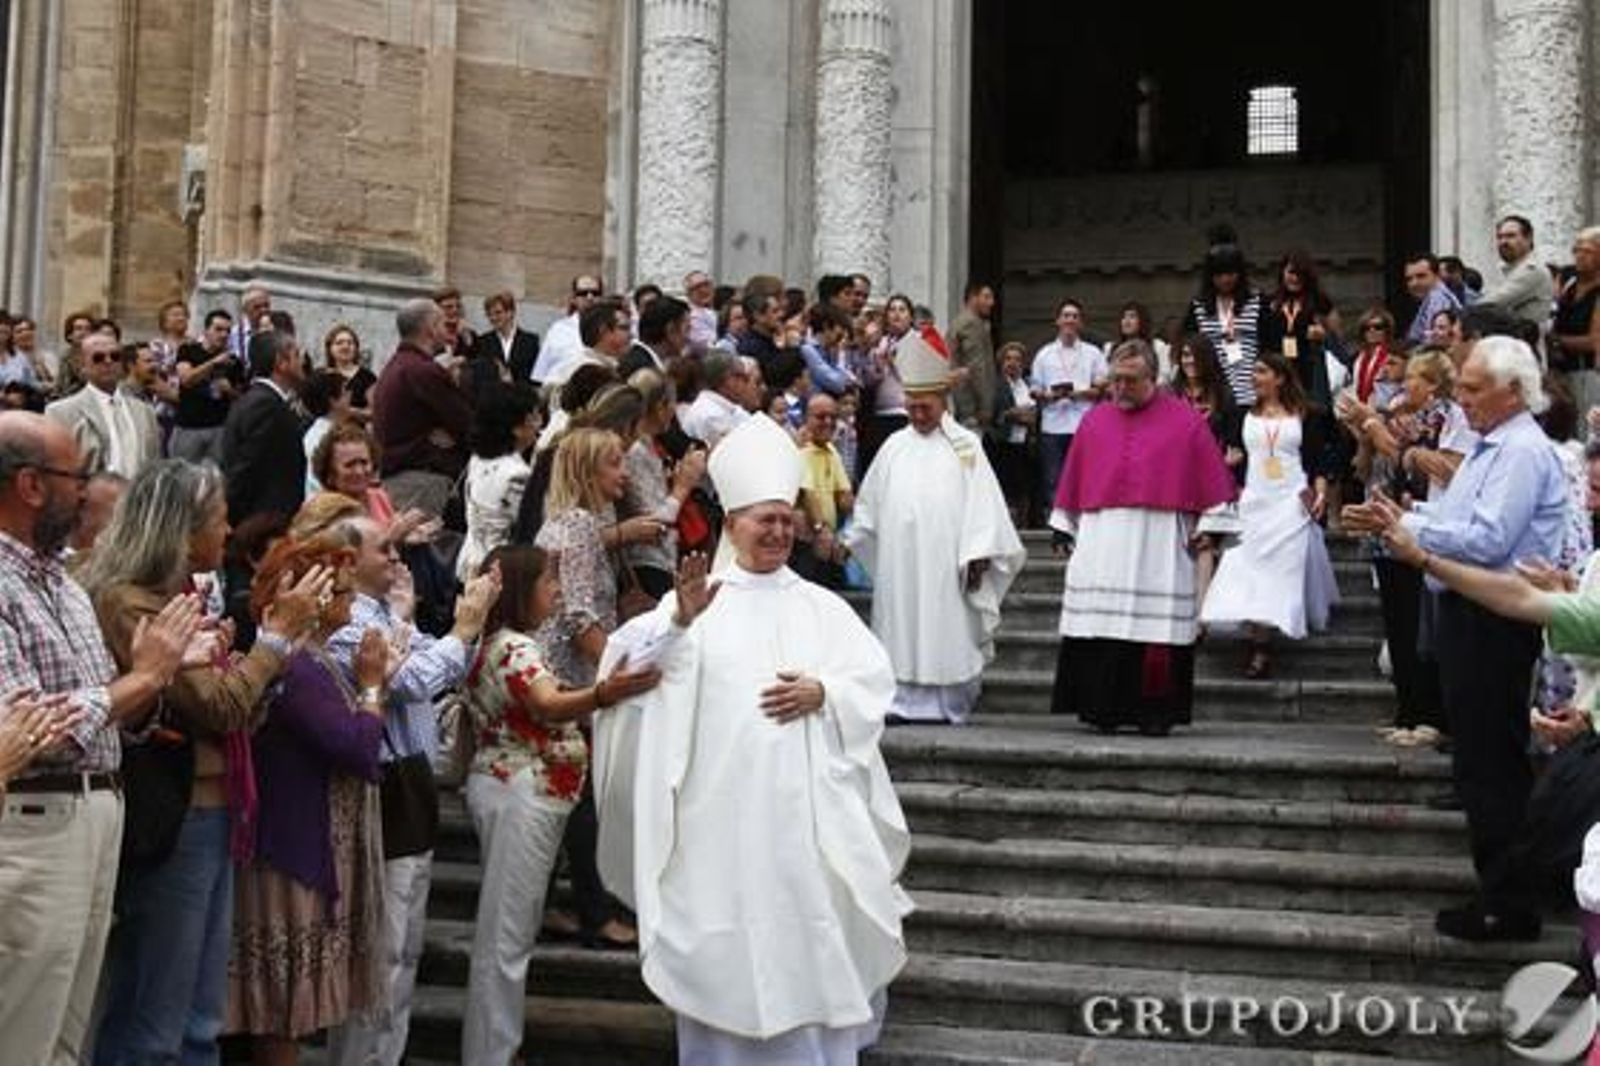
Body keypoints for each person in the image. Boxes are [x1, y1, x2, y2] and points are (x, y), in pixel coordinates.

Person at [593, 413, 911, 1064]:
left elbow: (872, 683)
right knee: (728, 961)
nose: (777, 530)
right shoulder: (696, 602)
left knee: (810, 951)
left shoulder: (822, 607)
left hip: (809, 827)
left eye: (785, 517)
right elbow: (627, 674)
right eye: (763, 518)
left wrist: (826, 692)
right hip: (721, 828)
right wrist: (679, 622)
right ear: (731, 524)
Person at [81, 459, 328, 1065]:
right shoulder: (131, 604)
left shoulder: (176, 599)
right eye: (218, 520)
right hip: (177, 818)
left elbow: (236, 705)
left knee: (198, 1017)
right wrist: (272, 642)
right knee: (156, 1014)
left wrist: (254, 660)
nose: (228, 532)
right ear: (180, 528)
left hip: (214, 814)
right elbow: (219, 708)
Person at [1343, 335, 1567, 942]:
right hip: (1471, 610)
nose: (1460, 398)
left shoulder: (1520, 451)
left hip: (1495, 612)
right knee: (1477, 758)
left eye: (1472, 388)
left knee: (1491, 761)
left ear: (1512, 391)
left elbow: (1489, 538)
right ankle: (1498, 887)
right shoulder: (1492, 448)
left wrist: (1414, 534)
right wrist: (1404, 520)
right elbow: (1456, 520)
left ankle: (1508, 898)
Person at [0, 410, 201, 1064]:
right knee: (24, 1026)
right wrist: (143, 678)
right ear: (31, 485)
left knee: (69, 1030)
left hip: (95, 813)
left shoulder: (61, 579)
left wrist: (148, 687)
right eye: (76, 476)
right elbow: (31, 724)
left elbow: (107, 707)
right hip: (35, 820)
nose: (86, 491)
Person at [459, 544, 661, 1065]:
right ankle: (493, 1054)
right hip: (519, 792)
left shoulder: (507, 642)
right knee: (506, 936)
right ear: (523, 589)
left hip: (521, 790)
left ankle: (499, 1048)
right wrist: (603, 694)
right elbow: (546, 704)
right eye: (549, 583)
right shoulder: (514, 647)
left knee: (511, 932)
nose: (557, 592)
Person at [324, 516, 500, 1066]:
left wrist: (457, 636)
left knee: (405, 946)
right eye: (385, 549)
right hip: (379, 785)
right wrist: (462, 632)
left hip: (411, 778)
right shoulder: (345, 621)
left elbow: (445, 665)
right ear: (348, 560)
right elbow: (409, 681)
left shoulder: (384, 613)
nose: (397, 558)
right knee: (380, 948)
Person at [225, 527, 396, 1062]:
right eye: (342, 592)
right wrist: (372, 685)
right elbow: (358, 747)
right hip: (291, 851)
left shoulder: (311, 660)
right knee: (283, 1012)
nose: (351, 602)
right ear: (312, 596)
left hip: (299, 843)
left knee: (287, 1013)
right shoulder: (298, 667)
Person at [1048, 341, 1238, 734]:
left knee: (1155, 632)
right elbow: (1073, 478)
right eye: (1115, 380)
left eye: (1130, 381)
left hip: (1158, 545)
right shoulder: (1094, 420)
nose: (1119, 388)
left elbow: (1215, 484)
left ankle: (1154, 713)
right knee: (1102, 628)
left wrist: (1209, 529)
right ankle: (1102, 709)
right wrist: (1063, 524)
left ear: (1153, 379)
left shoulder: (1185, 421)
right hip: (1103, 542)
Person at [844, 327, 1024, 724]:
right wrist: (853, 539)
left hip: (949, 561)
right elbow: (869, 507)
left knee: (945, 626)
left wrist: (979, 553)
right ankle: (900, 699)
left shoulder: (965, 446)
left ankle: (947, 702)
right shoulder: (893, 447)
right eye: (911, 406)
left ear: (943, 401)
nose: (917, 413)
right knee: (902, 624)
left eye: (924, 406)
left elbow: (985, 505)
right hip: (899, 561)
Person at [534, 426, 651, 947]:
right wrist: (615, 672)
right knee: (583, 800)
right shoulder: (578, 524)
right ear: (587, 471)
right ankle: (595, 912)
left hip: (563, 676)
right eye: (614, 464)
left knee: (575, 799)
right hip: (569, 679)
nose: (623, 473)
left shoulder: (566, 522)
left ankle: (557, 903)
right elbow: (579, 616)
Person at [1339, 350, 1466, 747]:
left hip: (1426, 526)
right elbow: (1367, 465)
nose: (1403, 384)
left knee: (1418, 627)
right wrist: (1365, 433)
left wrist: (1376, 427)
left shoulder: (1450, 417)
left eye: (1413, 377)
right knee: (1398, 625)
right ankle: (1408, 710)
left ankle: (1429, 714)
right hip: (1388, 527)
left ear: (1433, 385)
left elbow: (1434, 465)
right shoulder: (1396, 414)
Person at [1200, 352, 1339, 677]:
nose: (1254, 377)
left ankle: (1262, 646)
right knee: (1245, 569)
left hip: (1291, 502)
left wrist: (1319, 495)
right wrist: (1229, 465)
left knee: (1281, 572)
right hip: (1254, 502)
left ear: (1279, 377)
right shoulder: (1239, 415)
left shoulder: (1307, 415)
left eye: (1261, 371)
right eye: (1254, 372)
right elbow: (1227, 455)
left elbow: (1317, 462)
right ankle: (1257, 639)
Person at [371, 298, 473, 518]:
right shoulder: (422, 370)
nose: (447, 330)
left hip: (404, 479)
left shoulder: (400, 364)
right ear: (430, 327)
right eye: (443, 324)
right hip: (419, 484)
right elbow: (468, 424)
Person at [623, 368, 706, 599]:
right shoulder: (636, 450)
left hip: (663, 559)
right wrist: (683, 485)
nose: (674, 411)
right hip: (646, 562)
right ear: (660, 407)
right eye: (672, 403)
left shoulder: (649, 445)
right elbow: (653, 522)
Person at [44, 329, 161, 480]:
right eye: (98, 358)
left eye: (115, 356)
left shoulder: (145, 411)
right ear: (82, 365)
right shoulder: (61, 412)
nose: (108, 361)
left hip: (136, 499)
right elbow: (56, 470)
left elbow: (154, 465)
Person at [1028, 298, 1106, 522]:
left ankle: (1084, 522)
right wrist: (1047, 396)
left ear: (1080, 322)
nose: (1070, 320)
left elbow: (1102, 387)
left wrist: (1078, 394)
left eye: (1074, 316)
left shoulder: (1093, 353)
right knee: (1054, 478)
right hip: (1052, 425)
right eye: (1066, 315)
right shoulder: (1044, 354)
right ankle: (1060, 526)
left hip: (1083, 423)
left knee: (1084, 475)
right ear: (1058, 321)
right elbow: (1034, 388)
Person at [222, 328, 308, 526]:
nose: (302, 362)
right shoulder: (265, 405)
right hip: (262, 523)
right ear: (281, 362)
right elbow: (246, 470)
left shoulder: (262, 400)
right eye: (296, 355)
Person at [457, 385, 539, 582]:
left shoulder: (478, 458)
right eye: (534, 418)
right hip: (500, 571)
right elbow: (527, 529)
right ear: (517, 428)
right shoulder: (518, 474)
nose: (539, 425)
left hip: (468, 561)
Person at [1182, 236, 1264, 407]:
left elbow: (1269, 345)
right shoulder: (1198, 306)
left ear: (1240, 273)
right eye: (1219, 274)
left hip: (1252, 392)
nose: (1225, 279)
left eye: (1231, 273)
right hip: (1213, 395)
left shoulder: (1258, 300)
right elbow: (1190, 345)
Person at [171, 309, 243, 465]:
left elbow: (241, 398)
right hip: (188, 428)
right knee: (182, 479)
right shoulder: (188, 350)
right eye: (218, 329)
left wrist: (229, 390)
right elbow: (186, 379)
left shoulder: (234, 361)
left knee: (215, 481)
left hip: (219, 429)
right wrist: (213, 363)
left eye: (227, 331)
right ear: (206, 330)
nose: (223, 334)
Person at [1551, 226, 1600, 435]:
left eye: (1587, 251)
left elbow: (1594, 341)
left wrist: (1556, 339)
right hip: (1562, 371)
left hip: (1586, 371)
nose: (1579, 256)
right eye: (1576, 250)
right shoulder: (1569, 282)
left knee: (1585, 431)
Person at [989, 341, 1037, 526]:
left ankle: (1024, 523)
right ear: (1001, 362)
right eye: (1008, 358)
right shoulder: (995, 385)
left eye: (1017, 359)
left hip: (1025, 444)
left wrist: (1028, 418)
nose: (1012, 363)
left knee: (1024, 486)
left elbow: (1035, 412)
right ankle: (1006, 524)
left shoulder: (1028, 385)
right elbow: (990, 415)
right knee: (1004, 487)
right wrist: (1012, 414)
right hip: (1002, 443)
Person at [1477, 214, 1555, 328]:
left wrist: (1454, 316)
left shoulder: (1532, 270)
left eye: (1510, 236)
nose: (1503, 241)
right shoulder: (1506, 270)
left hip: (1522, 343)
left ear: (1528, 239)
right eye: (1499, 237)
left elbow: (1488, 304)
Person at [532, 274, 604, 384]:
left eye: (595, 293)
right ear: (574, 299)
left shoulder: (613, 330)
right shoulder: (558, 330)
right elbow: (540, 375)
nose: (590, 297)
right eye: (583, 293)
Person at [946, 280, 997, 433]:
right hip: (971, 408)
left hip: (961, 404)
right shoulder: (972, 323)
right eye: (986, 297)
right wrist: (985, 409)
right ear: (973, 297)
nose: (991, 303)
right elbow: (977, 367)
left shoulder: (959, 321)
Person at [473, 290, 540, 384]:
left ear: (510, 312)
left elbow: (535, 378)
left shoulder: (530, 341)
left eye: (498, 313)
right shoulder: (483, 341)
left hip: (521, 395)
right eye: (489, 314)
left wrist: (512, 380)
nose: (493, 318)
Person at [1403, 253, 1463, 349]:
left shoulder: (1438, 298)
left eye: (1421, 276)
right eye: (1409, 279)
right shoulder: (1431, 297)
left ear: (1437, 275)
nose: (1414, 283)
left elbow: (1432, 344)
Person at [322, 323, 377, 419]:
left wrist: (352, 412)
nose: (345, 346)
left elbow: (376, 412)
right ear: (330, 348)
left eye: (350, 343)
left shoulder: (368, 377)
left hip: (355, 432)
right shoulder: (321, 376)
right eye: (339, 343)